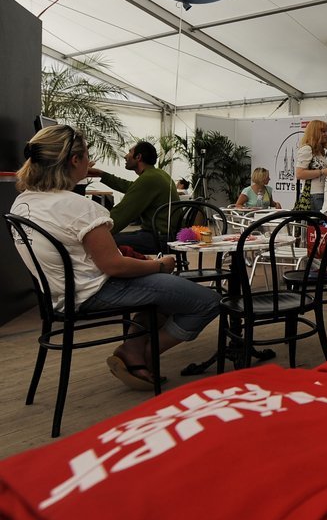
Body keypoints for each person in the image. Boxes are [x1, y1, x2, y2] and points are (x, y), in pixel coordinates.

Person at [10, 126, 220, 390]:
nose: (89, 161)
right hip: (95, 291)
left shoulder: (23, 202)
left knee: (165, 291)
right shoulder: (78, 207)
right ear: (75, 160)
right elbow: (114, 266)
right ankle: (144, 354)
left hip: (58, 294)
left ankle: (133, 348)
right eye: (88, 155)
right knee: (208, 301)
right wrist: (158, 265)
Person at [87, 141, 178, 254]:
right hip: (164, 235)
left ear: (138, 157)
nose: (125, 156)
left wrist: (95, 232)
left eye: (129, 152)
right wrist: (101, 174)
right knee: (112, 237)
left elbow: (122, 213)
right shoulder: (158, 174)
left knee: (103, 241)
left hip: (160, 239)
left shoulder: (149, 179)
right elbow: (130, 187)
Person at [295, 120, 327, 212]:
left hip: (321, 194)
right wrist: (323, 172)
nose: (326, 134)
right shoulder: (307, 149)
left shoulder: (319, 151)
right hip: (313, 195)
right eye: (323, 131)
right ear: (314, 132)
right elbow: (299, 174)